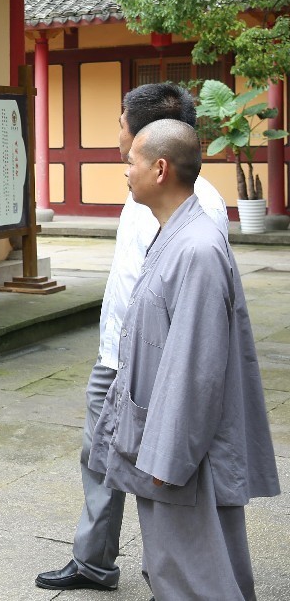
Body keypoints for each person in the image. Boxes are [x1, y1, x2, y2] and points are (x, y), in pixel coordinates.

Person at [36, 82, 230, 592]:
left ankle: (167, 563)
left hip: (155, 366)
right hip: (117, 355)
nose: (116, 131)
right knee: (100, 455)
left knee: (160, 469)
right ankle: (94, 559)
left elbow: (193, 314)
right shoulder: (140, 186)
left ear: (150, 139)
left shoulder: (197, 208)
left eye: (121, 121)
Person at [89, 119, 279, 600]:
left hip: (181, 456)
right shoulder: (175, 233)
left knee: (196, 577)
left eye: (130, 161)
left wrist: (166, 460)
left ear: (159, 168)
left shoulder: (196, 248)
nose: (124, 171)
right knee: (192, 568)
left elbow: (196, 369)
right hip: (163, 442)